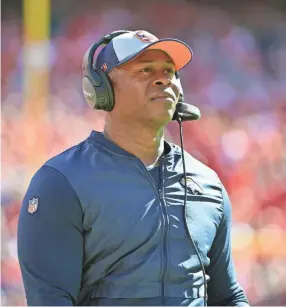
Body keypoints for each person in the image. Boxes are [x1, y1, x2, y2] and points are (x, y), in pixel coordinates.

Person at [17, 30, 250, 306]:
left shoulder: (207, 183)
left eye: (169, 71)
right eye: (145, 70)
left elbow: (228, 297)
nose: (163, 78)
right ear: (102, 88)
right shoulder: (61, 182)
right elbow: (51, 300)